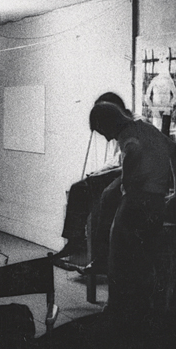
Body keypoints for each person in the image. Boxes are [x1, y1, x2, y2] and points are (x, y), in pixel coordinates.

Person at [89, 101, 176, 321]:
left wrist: (127, 181)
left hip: (137, 202)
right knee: (143, 260)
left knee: (118, 257)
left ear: (109, 123)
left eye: (104, 132)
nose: (106, 138)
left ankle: (115, 309)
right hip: (157, 203)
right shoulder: (144, 125)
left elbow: (133, 151)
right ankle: (142, 312)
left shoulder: (126, 136)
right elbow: (174, 152)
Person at [54, 93, 128, 275]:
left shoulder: (132, 129)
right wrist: (100, 172)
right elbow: (116, 159)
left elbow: (127, 164)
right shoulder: (121, 130)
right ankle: (75, 241)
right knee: (78, 188)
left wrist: (103, 174)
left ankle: (98, 256)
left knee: (98, 200)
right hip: (119, 170)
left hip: (130, 176)